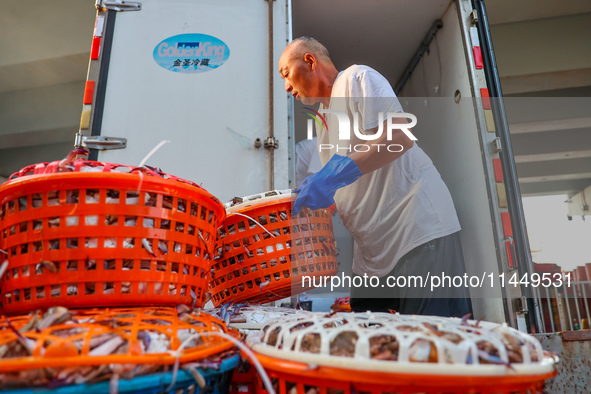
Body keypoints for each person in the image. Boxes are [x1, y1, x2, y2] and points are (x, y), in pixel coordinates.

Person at [279, 36, 472, 317]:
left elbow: (399, 135)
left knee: (431, 340)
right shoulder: (324, 122)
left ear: (309, 61)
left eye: (287, 74)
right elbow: (347, 186)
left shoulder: (357, 78)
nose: (286, 86)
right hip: (373, 251)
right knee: (368, 332)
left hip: (415, 230)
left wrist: (335, 174)